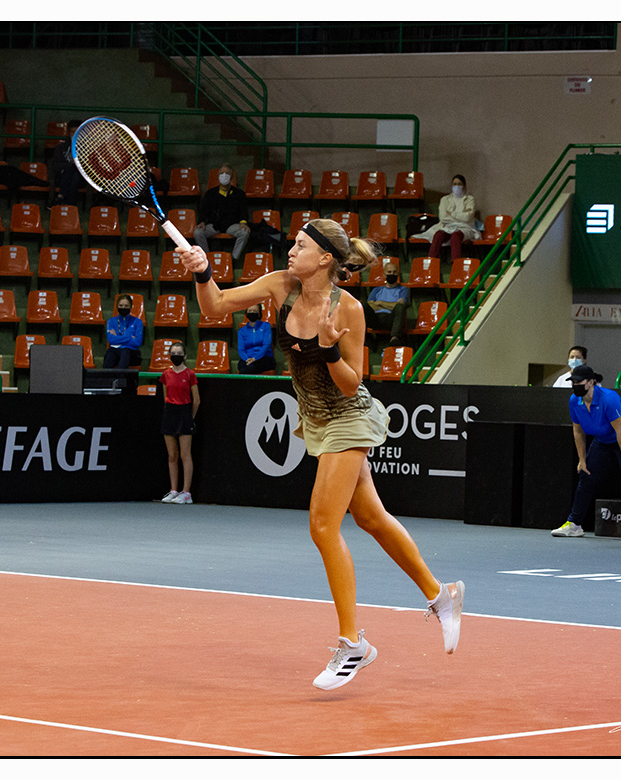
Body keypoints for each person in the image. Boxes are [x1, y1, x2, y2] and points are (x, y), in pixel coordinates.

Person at [180, 217, 465, 690]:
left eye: (300, 245)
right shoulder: (280, 286)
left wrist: (330, 350)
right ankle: (442, 595)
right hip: (314, 417)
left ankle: (353, 643)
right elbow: (215, 306)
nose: (291, 251)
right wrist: (202, 272)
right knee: (371, 517)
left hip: (349, 416)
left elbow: (352, 383)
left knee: (322, 525)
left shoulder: (348, 308)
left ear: (325, 258)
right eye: (293, 244)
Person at [552, 365, 621, 543]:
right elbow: (578, 432)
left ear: (591, 382)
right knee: (586, 474)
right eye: (573, 382)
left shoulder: (609, 399)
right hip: (604, 438)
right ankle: (574, 524)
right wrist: (582, 460)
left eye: (579, 382)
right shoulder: (574, 401)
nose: (575, 385)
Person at [159, 341, 200, 505]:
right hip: (170, 413)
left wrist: (190, 417)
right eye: (173, 353)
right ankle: (174, 490)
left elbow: (196, 400)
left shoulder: (190, 374)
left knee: (185, 455)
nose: (176, 356)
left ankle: (186, 493)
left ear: (185, 356)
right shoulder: (165, 374)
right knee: (172, 455)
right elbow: (165, 396)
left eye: (179, 353)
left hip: (185, 414)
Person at [412, 174, 480, 260]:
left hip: (465, 228)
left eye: (459, 184)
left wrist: (451, 213)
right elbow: (443, 218)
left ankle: (455, 263)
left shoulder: (470, 199)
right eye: (454, 184)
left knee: (455, 236)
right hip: (447, 226)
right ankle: (431, 261)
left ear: (464, 186)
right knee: (438, 235)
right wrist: (461, 215)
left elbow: (467, 217)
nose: (457, 186)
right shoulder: (445, 199)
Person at [194, 164, 251, 263]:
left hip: (231, 225)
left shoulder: (239, 194)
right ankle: (206, 258)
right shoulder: (210, 193)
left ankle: (233, 259)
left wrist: (243, 222)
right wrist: (202, 221)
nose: (224, 175)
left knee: (245, 232)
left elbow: (243, 211)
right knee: (197, 232)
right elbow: (204, 210)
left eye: (227, 173)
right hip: (214, 225)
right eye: (222, 173)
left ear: (232, 177)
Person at [365, 257, 410, 346]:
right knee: (363, 306)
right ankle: (365, 338)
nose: (392, 274)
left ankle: (394, 338)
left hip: (391, 319)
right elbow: (370, 304)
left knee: (400, 307)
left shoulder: (403, 289)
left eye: (394, 272)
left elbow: (400, 306)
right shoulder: (376, 290)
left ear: (398, 274)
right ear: (384, 274)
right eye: (389, 272)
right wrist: (392, 305)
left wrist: (380, 303)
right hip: (376, 318)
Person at [102, 294, 144, 369]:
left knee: (125, 351)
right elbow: (111, 340)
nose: (123, 308)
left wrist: (117, 337)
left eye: (126, 306)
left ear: (131, 307)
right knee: (110, 353)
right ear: (117, 306)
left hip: (132, 353)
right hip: (115, 350)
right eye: (120, 305)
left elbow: (137, 342)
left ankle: (121, 376)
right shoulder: (111, 321)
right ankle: (105, 376)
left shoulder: (138, 322)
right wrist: (129, 337)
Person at [237, 303, 275, 374]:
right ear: (246, 313)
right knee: (242, 366)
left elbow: (266, 345)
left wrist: (255, 358)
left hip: (265, 358)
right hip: (247, 358)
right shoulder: (242, 331)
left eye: (254, 311)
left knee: (248, 369)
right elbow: (241, 349)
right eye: (250, 311)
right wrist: (247, 359)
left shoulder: (266, 326)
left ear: (259, 314)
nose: (252, 313)